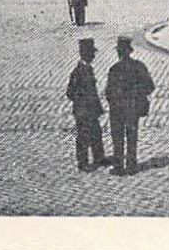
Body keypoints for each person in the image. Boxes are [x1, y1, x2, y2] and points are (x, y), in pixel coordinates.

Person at [104, 36, 154, 176]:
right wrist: (136, 95)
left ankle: (119, 165)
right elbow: (150, 86)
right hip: (132, 107)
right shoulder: (139, 66)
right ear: (129, 51)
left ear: (119, 53)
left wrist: (114, 100)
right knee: (132, 135)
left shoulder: (114, 69)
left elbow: (108, 91)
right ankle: (131, 164)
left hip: (117, 108)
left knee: (117, 136)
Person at [65, 38, 107, 171]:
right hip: (83, 110)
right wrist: (82, 102)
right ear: (86, 54)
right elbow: (70, 92)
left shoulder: (88, 69)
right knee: (83, 136)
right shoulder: (78, 72)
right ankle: (83, 162)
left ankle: (99, 157)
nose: (94, 56)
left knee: (96, 132)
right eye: (92, 53)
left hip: (91, 109)